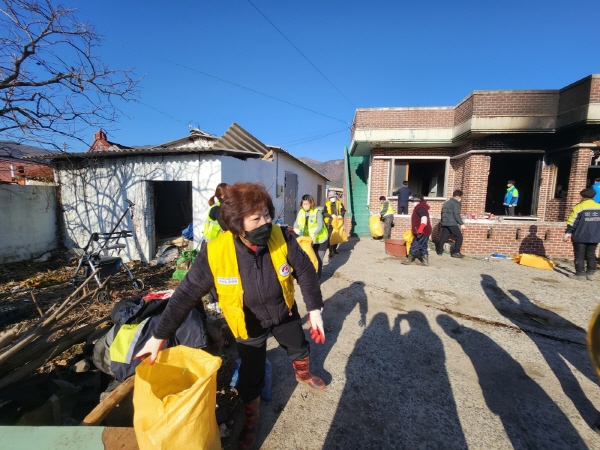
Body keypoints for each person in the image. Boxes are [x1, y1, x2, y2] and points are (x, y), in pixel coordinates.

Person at [135, 182, 327, 450]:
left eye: (268, 215)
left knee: (299, 347)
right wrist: (159, 335)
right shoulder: (215, 252)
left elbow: (305, 271)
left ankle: (303, 374)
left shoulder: (282, 237)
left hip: (283, 312)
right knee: (250, 376)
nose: (266, 223)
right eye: (256, 218)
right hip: (246, 323)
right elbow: (186, 294)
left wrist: (315, 309)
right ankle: (251, 419)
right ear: (237, 224)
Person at [203, 183, 230, 311]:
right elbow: (225, 227)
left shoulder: (222, 208)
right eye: (229, 193)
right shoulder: (217, 210)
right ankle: (214, 302)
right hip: (211, 246)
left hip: (217, 245)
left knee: (220, 273)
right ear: (222, 195)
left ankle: (217, 300)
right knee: (214, 274)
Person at [563, 188, 600, 281]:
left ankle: (580, 274)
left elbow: (572, 221)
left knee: (579, 255)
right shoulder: (598, 206)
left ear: (582, 196)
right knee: (591, 254)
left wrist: (568, 232)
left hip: (580, 236)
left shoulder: (579, 207)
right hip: (595, 236)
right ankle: (590, 273)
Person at [294, 194, 329, 279]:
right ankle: (310, 276)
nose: (305, 206)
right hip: (309, 240)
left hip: (321, 240)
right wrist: (295, 228)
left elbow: (320, 225)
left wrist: (314, 233)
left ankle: (317, 279)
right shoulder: (301, 212)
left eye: (307, 204)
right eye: (303, 204)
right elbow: (296, 222)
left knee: (319, 259)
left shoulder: (316, 212)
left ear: (311, 203)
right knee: (310, 258)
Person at [402, 194, 431, 266]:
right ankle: (425, 261)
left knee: (415, 245)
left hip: (422, 232)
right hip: (424, 231)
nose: (412, 203)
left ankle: (409, 260)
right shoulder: (420, 207)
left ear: (418, 201)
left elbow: (424, 219)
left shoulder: (420, 208)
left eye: (413, 201)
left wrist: (420, 230)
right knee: (423, 246)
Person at [437, 190, 466, 258]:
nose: (460, 199)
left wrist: (442, 221)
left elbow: (442, 213)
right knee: (459, 237)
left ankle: (439, 251)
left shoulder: (446, 203)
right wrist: (461, 223)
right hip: (452, 223)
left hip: (445, 222)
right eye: (460, 197)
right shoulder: (455, 203)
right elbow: (456, 214)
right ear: (458, 196)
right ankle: (456, 252)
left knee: (444, 237)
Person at [324, 191, 346, 258]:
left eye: (334, 196)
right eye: (331, 197)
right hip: (329, 224)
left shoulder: (339, 203)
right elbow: (324, 213)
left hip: (338, 223)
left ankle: (334, 249)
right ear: (329, 198)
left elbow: (343, 210)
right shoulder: (327, 204)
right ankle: (330, 251)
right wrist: (330, 215)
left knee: (336, 237)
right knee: (330, 237)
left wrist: (341, 215)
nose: (333, 198)